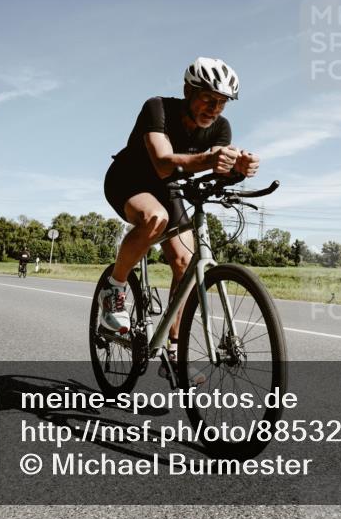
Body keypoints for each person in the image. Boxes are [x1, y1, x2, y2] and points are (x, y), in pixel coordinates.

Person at [100, 57, 260, 351]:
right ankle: (114, 289)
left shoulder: (221, 127)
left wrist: (239, 169)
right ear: (188, 91)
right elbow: (162, 164)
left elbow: (218, 169)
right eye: (208, 99)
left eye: (222, 103)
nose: (214, 110)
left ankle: (174, 348)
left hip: (168, 189)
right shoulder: (157, 108)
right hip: (128, 180)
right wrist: (212, 159)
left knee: (186, 263)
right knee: (154, 218)